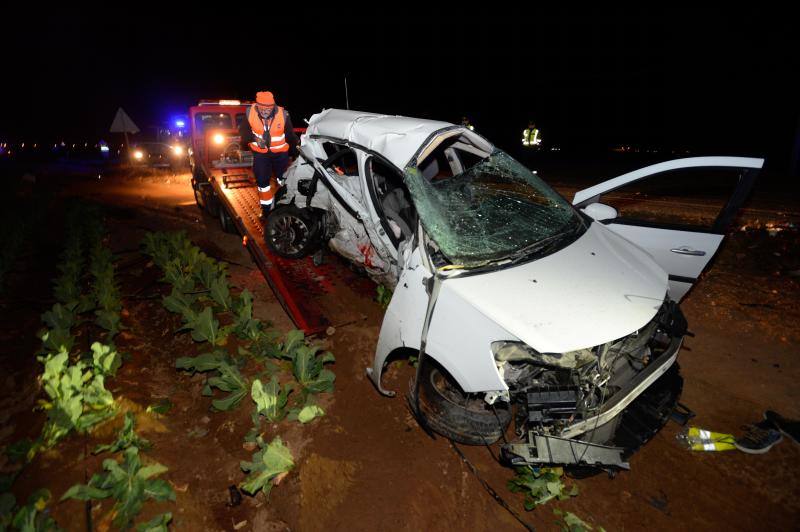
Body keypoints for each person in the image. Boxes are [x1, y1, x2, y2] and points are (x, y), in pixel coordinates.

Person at [239, 91, 299, 219]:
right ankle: (266, 211)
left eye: (269, 108)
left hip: (281, 154)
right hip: (261, 154)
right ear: (257, 105)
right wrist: (255, 139)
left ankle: (287, 207)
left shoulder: (283, 114)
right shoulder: (250, 113)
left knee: (283, 181)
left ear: (274, 106)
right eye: (262, 108)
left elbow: (290, 136)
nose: (265, 111)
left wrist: (297, 153)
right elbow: (243, 133)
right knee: (262, 182)